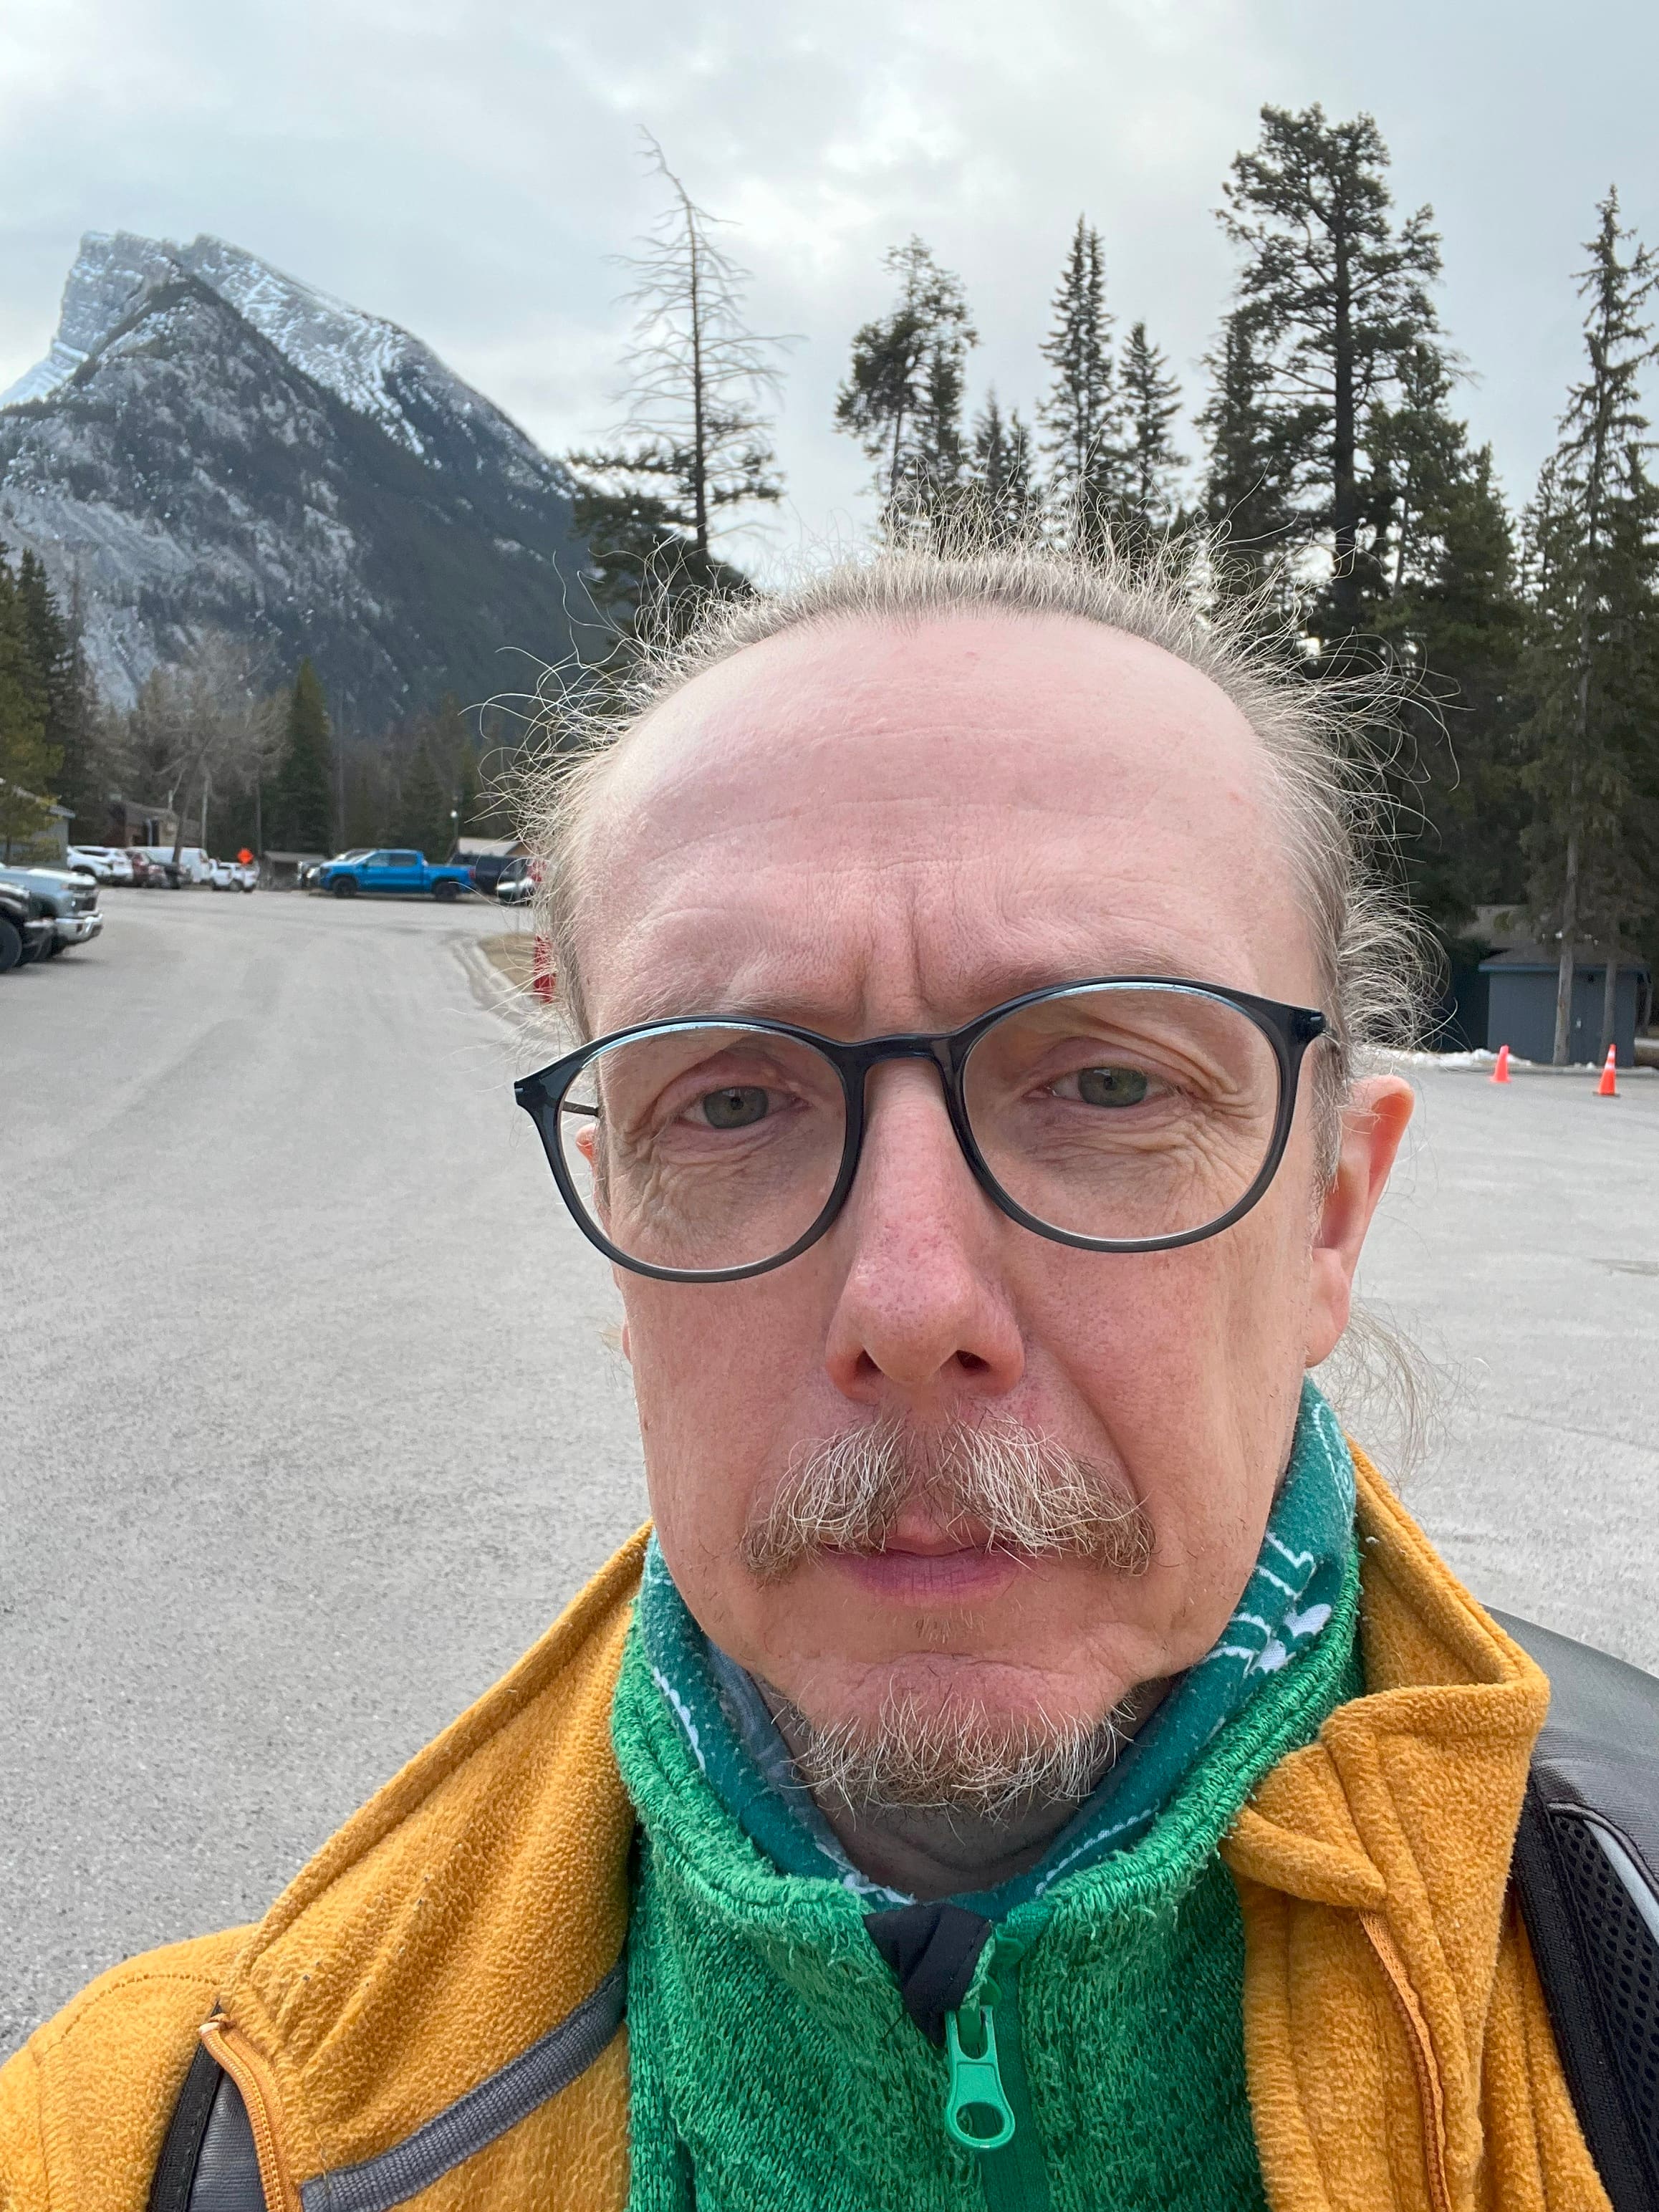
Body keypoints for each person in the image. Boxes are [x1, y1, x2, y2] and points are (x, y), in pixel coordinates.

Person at [0, 542, 1612, 2211]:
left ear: (1331, 1211)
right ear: (618, 1219)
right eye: (729, 1103)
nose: (912, 1299)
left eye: (1113, 1080)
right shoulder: (155, 2144)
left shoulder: (1613, 2023)